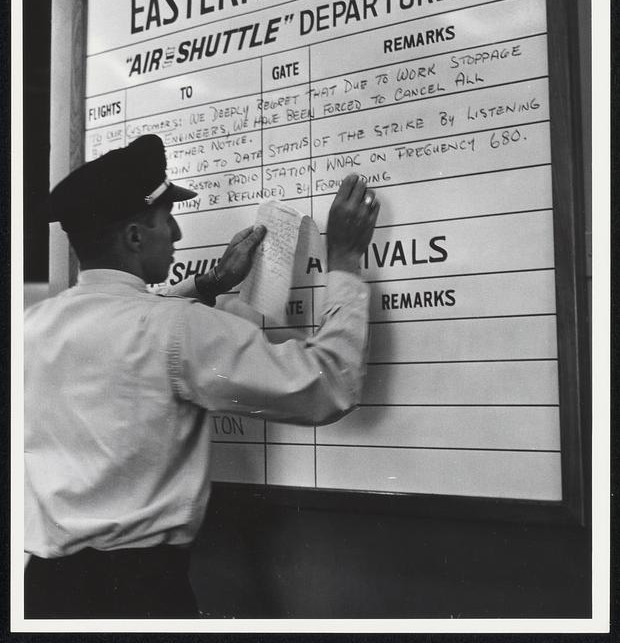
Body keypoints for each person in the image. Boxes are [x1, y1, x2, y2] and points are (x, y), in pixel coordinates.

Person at [24, 134, 379, 619]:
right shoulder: (177, 329)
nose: (177, 234)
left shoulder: (32, 327)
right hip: (137, 597)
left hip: (41, 593)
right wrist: (344, 264)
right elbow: (328, 384)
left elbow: (124, 339)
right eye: (165, 219)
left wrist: (206, 286)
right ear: (133, 237)